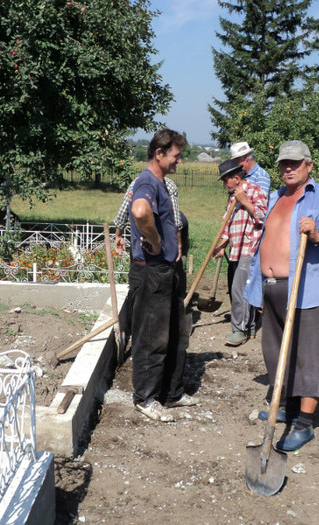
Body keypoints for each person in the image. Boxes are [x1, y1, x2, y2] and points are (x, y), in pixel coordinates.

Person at [244, 140, 319, 451]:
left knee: (309, 359)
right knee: (278, 354)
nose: (288, 168)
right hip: (272, 289)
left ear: (309, 165)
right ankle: (286, 407)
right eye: (283, 163)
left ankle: (304, 425)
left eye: (294, 163)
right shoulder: (275, 197)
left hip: (308, 291)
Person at [128, 128, 196, 422]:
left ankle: (171, 394)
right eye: (176, 156)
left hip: (166, 269)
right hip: (151, 270)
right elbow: (140, 211)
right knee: (152, 336)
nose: (178, 162)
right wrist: (155, 242)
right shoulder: (147, 182)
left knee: (172, 334)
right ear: (159, 153)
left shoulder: (160, 183)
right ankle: (146, 398)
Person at [212, 158, 268, 346]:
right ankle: (250, 327)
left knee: (239, 291)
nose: (224, 184)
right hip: (236, 247)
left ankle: (239, 330)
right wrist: (222, 244)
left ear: (236, 177)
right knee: (243, 289)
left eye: (226, 180)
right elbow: (228, 223)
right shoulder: (231, 195)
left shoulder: (254, 191)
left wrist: (244, 200)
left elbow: (262, 216)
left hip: (250, 247)